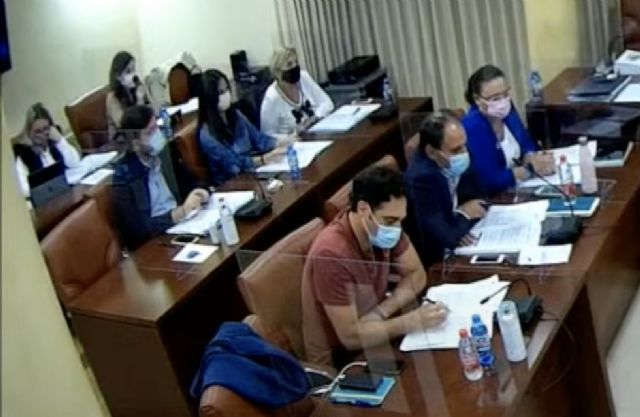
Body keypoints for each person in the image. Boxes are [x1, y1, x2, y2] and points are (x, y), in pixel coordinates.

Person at [302, 166, 449, 367]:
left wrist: (380, 313)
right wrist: (411, 322)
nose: (396, 229)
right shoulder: (331, 255)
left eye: (400, 221)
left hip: (376, 330)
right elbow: (350, 337)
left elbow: (416, 274)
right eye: (390, 221)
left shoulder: (381, 227)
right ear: (364, 210)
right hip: (345, 358)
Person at [111, 105, 209, 250]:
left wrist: (200, 192)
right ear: (135, 144)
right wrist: (178, 213)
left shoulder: (165, 154)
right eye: (150, 132)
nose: (157, 135)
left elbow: (190, 182)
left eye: (156, 127)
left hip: (184, 225)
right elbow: (139, 231)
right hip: (156, 240)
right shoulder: (124, 178)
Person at [405, 112, 487, 268]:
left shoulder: (461, 155)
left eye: (464, 145)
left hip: (464, 243)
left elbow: (481, 199)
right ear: (431, 152)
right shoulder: (421, 179)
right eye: (456, 150)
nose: (465, 153)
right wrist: (463, 214)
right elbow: (445, 237)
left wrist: (458, 223)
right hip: (435, 262)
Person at [462, 65, 554, 195]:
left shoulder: (507, 110)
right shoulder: (472, 126)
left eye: (505, 94)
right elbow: (489, 181)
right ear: (477, 99)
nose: (503, 102)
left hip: (520, 188)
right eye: (495, 98)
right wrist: (529, 169)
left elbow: (526, 142)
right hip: (495, 196)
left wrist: (531, 156)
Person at [198, 69, 295, 186]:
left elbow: (259, 139)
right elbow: (233, 164)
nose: (226, 94)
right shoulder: (206, 135)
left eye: (227, 89)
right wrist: (264, 159)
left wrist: (281, 142)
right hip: (232, 183)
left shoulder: (236, 115)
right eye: (220, 92)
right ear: (210, 98)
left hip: (254, 171)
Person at [260, 47, 334, 135]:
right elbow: (267, 135)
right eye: (289, 64)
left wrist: (315, 117)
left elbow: (327, 103)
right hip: (293, 141)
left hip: (316, 131)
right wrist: (293, 135)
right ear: (277, 72)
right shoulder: (271, 98)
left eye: (296, 62)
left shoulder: (303, 77)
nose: (295, 66)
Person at [13, 103, 81, 197]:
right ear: (29, 132)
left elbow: (74, 163)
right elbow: (24, 189)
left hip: (66, 191)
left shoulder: (54, 141)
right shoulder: (24, 152)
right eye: (37, 131)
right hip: (45, 197)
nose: (42, 135)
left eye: (46, 129)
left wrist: (60, 141)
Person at [106, 51, 150, 143]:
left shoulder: (135, 87)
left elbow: (150, 111)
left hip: (140, 136)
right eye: (128, 71)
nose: (133, 74)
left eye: (134, 70)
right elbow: (125, 125)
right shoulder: (112, 97)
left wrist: (144, 95)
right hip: (122, 142)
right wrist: (140, 100)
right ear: (118, 76)